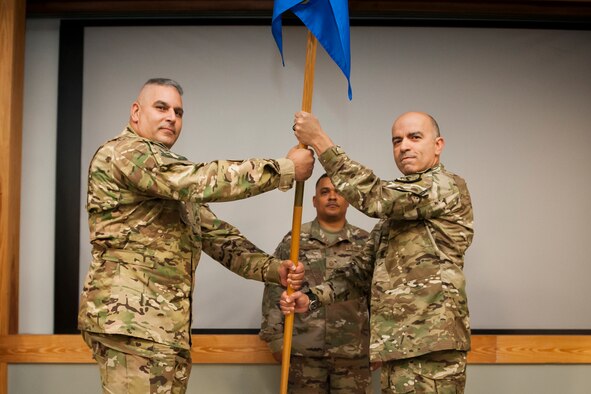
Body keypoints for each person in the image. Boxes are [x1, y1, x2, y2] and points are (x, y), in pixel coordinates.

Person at [78, 78, 315, 394]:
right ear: (136, 112)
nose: (171, 117)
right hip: (131, 324)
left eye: (178, 111)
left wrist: (274, 269)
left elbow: (217, 237)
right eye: (161, 107)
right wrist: (283, 169)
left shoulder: (167, 181)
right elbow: (200, 179)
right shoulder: (127, 153)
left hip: (162, 327)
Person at [283, 111, 474, 393]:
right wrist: (310, 298)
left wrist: (320, 141)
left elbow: (375, 197)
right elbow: (359, 272)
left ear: (438, 145)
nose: (404, 146)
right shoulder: (395, 215)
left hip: (431, 352)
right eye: (397, 140)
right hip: (396, 351)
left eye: (414, 137)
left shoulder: (445, 186)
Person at [260, 173, 372, 393]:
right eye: (325, 192)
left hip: (353, 353)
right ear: (314, 201)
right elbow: (274, 288)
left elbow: (377, 295)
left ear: (348, 198)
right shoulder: (294, 240)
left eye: (338, 191)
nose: (332, 197)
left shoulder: (365, 243)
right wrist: (275, 340)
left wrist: (380, 346)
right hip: (303, 353)